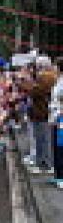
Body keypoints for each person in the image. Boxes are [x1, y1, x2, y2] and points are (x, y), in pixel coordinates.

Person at [50, 57, 63, 188]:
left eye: (55, 66)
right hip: (56, 117)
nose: (53, 68)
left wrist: (59, 113)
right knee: (56, 146)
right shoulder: (58, 80)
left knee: (60, 146)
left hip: (61, 118)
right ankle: (58, 175)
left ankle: (61, 177)